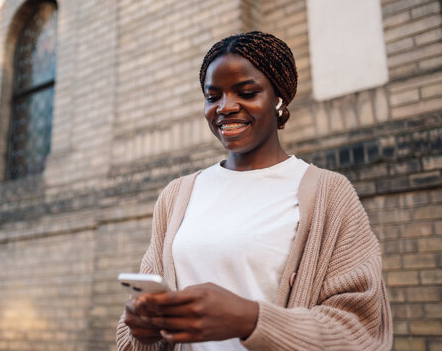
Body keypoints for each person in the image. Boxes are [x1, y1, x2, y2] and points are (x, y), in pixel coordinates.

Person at [116, 31, 393, 351]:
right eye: (212, 96)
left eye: (246, 92)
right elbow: (130, 334)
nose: (225, 107)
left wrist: (250, 319)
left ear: (279, 99)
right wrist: (142, 330)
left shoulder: (328, 194)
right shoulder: (177, 195)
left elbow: (360, 331)